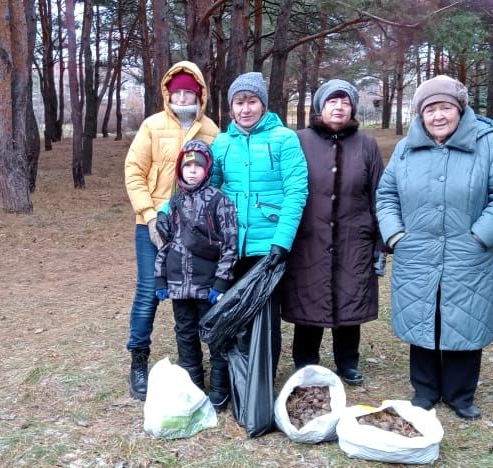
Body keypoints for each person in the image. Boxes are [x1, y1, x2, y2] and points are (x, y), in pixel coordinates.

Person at [376, 75, 493, 420]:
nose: (438, 116)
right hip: (417, 251)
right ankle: (425, 390)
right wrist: (396, 236)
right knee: (423, 314)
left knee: (463, 317)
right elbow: (386, 195)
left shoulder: (487, 145)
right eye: (430, 109)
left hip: (468, 252)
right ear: (420, 115)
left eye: (445, 108)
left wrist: (479, 236)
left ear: (460, 110)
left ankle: (460, 395)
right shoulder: (405, 149)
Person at [124, 62, 220, 401]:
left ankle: (203, 366)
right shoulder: (152, 126)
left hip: (195, 228)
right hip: (152, 226)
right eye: (176, 90)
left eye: (188, 91)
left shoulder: (211, 130)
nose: (182, 96)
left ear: (199, 95)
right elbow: (134, 171)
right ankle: (138, 360)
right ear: (168, 92)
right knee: (150, 291)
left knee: (198, 294)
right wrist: (150, 216)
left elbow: (216, 176)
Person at [280, 79, 385, 386]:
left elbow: (379, 192)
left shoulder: (366, 145)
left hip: (354, 237)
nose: (339, 107)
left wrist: (380, 241)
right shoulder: (299, 140)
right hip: (309, 238)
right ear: (320, 107)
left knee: (350, 296)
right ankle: (305, 362)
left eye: (345, 102)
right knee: (308, 299)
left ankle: (348, 362)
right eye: (332, 102)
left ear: (352, 108)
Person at [210, 71, 309, 370]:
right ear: (231, 108)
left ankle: (261, 378)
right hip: (230, 246)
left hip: (268, 246)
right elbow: (205, 188)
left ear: (263, 105)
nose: (246, 108)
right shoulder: (222, 142)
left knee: (264, 317)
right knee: (232, 312)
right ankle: (233, 376)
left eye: (252, 101)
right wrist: (168, 210)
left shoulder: (284, 139)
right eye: (239, 102)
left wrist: (282, 241)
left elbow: (296, 191)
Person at [154, 140, 238, 411]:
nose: (192, 171)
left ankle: (220, 388)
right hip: (179, 286)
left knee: (214, 335)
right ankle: (193, 387)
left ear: (208, 169)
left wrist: (221, 281)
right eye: (187, 165)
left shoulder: (219, 200)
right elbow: (167, 243)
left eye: (198, 166)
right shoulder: (174, 202)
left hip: (207, 285)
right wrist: (160, 278)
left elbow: (230, 244)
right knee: (185, 334)